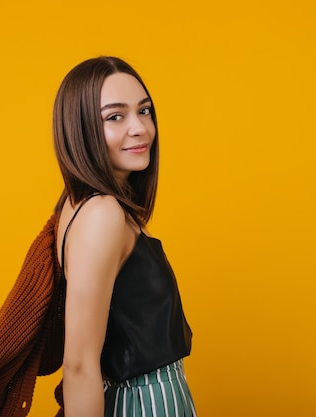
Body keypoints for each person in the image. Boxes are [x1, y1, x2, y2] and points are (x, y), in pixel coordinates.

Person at [53, 56, 196, 417]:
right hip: (146, 404)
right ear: (79, 128)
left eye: (144, 111)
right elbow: (80, 364)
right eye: (115, 117)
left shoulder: (81, 205)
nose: (140, 128)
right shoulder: (102, 214)